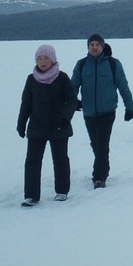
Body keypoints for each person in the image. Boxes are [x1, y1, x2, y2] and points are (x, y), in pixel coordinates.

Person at [17, 44, 78, 206]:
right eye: (39, 58)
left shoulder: (62, 78)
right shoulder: (31, 80)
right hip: (37, 127)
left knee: (60, 160)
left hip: (59, 126)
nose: (42, 61)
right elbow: (26, 104)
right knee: (32, 161)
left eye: (46, 58)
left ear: (53, 60)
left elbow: (72, 100)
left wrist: (66, 118)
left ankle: (62, 191)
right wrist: (21, 124)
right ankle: (31, 196)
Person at [71, 33, 133, 189]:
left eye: (97, 45)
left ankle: (99, 177)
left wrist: (129, 107)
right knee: (96, 144)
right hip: (89, 112)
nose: (94, 47)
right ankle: (103, 169)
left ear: (103, 46)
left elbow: (123, 86)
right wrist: (73, 102)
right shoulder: (81, 65)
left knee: (102, 143)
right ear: (88, 47)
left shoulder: (113, 64)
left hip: (108, 111)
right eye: (92, 45)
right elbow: (73, 86)